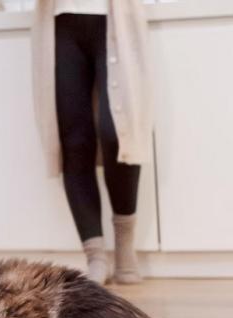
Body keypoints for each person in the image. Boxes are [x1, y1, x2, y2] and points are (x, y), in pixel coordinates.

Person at [33, 0, 152, 284]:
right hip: (60, 21)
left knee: (118, 133)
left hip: (113, 17)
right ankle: (95, 255)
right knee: (74, 139)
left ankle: (124, 243)